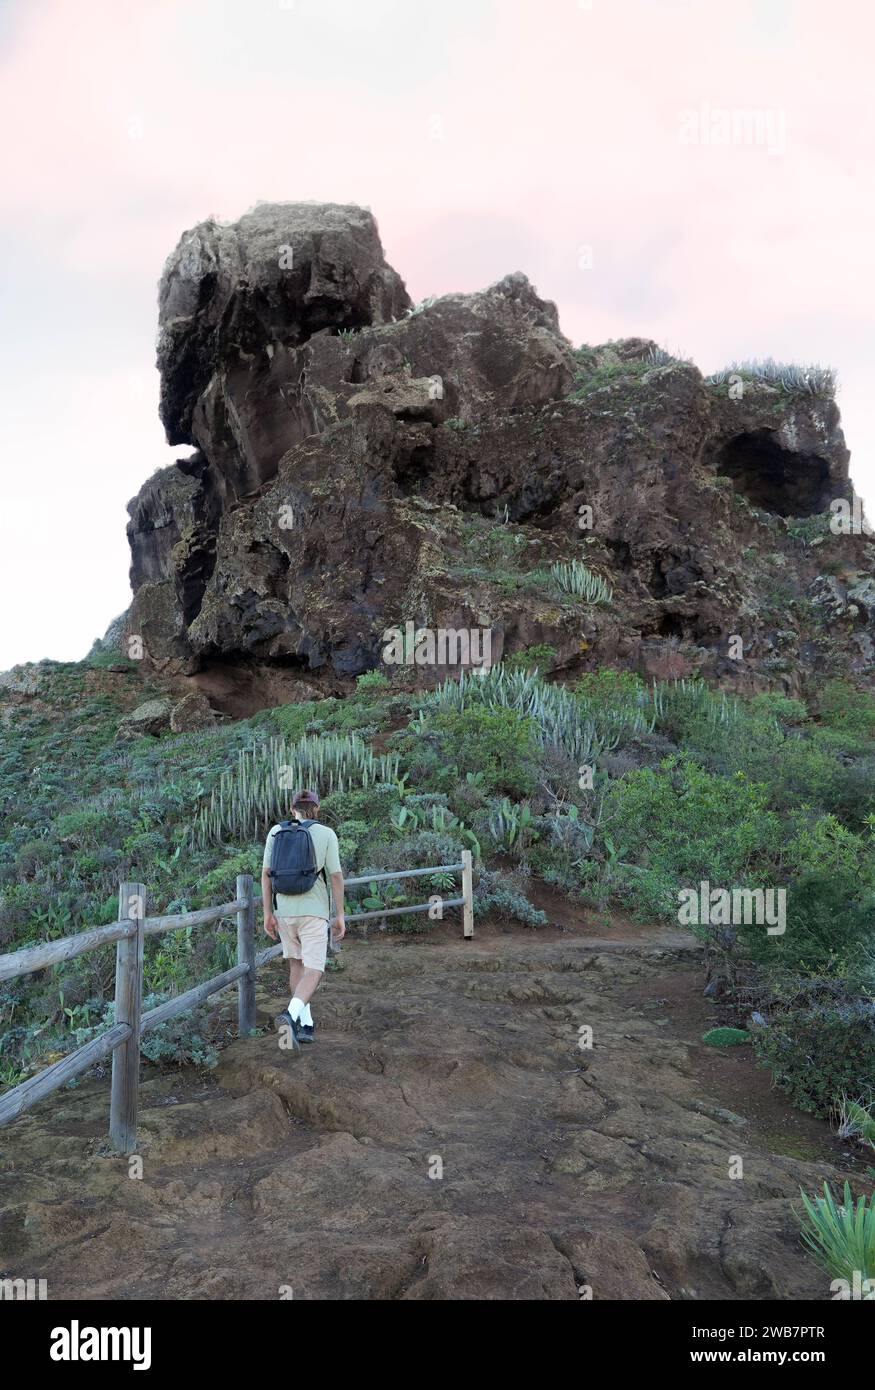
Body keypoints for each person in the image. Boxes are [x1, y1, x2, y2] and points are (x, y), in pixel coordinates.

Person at [262, 789, 345, 1051]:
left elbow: (265, 875)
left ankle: (305, 1026)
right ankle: (289, 1015)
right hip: (314, 912)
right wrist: (340, 914)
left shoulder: (276, 832)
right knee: (314, 970)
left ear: (292, 808)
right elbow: (335, 876)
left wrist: (268, 913)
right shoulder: (326, 833)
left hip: (285, 911)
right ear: (317, 808)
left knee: (296, 967)